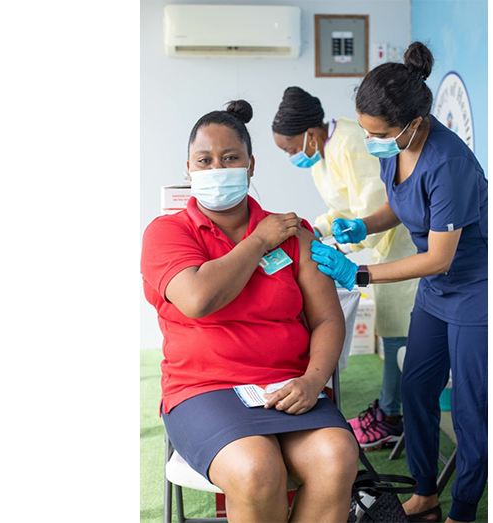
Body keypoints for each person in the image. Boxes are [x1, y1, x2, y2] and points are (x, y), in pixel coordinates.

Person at [141, 100, 358, 523]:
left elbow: (328, 318)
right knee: (258, 469)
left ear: (251, 165)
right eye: (204, 160)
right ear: (188, 169)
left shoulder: (294, 233)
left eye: (230, 158)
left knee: (337, 456)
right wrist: (258, 241)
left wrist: (313, 381)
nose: (216, 168)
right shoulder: (167, 233)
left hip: (289, 386)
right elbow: (199, 298)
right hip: (205, 390)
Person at [310, 42, 488, 523]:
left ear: (413, 123)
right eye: (366, 130)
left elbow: (438, 257)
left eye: (379, 134)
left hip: (475, 290)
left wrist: (360, 271)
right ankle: (426, 493)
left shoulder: (448, 163)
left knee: (471, 410)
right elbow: (401, 204)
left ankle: (464, 510)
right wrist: (363, 225)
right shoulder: (397, 148)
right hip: (437, 294)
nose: (371, 142)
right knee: (415, 388)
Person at [271, 86, 419, 450]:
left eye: (290, 149)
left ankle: (392, 415)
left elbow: (373, 209)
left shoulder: (350, 142)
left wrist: (343, 241)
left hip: (395, 242)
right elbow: (343, 207)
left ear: (309, 133)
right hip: (375, 246)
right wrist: (318, 228)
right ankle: (391, 409)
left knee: (400, 332)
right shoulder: (322, 153)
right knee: (392, 329)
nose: (292, 156)